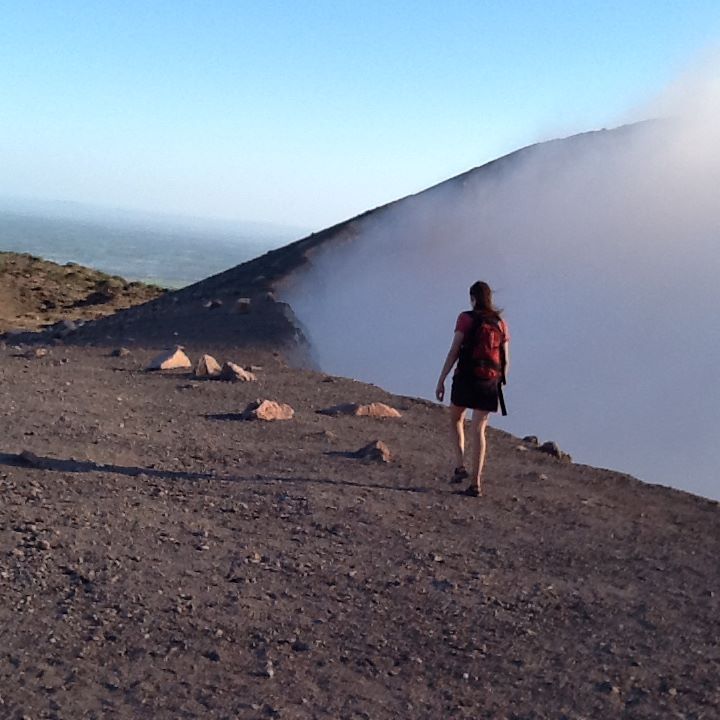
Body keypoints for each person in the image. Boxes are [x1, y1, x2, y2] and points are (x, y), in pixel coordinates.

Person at [435, 281, 510, 497]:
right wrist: (498, 381)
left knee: (456, 418)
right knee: (479, 430)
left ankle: (460, 466)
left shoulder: (465, 318)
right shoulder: (501, 324)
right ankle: (476, 483)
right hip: (489, 383)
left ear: (473, 298)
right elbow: (505, 361)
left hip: (466, 378)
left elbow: (454, 351)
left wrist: (441, 379)